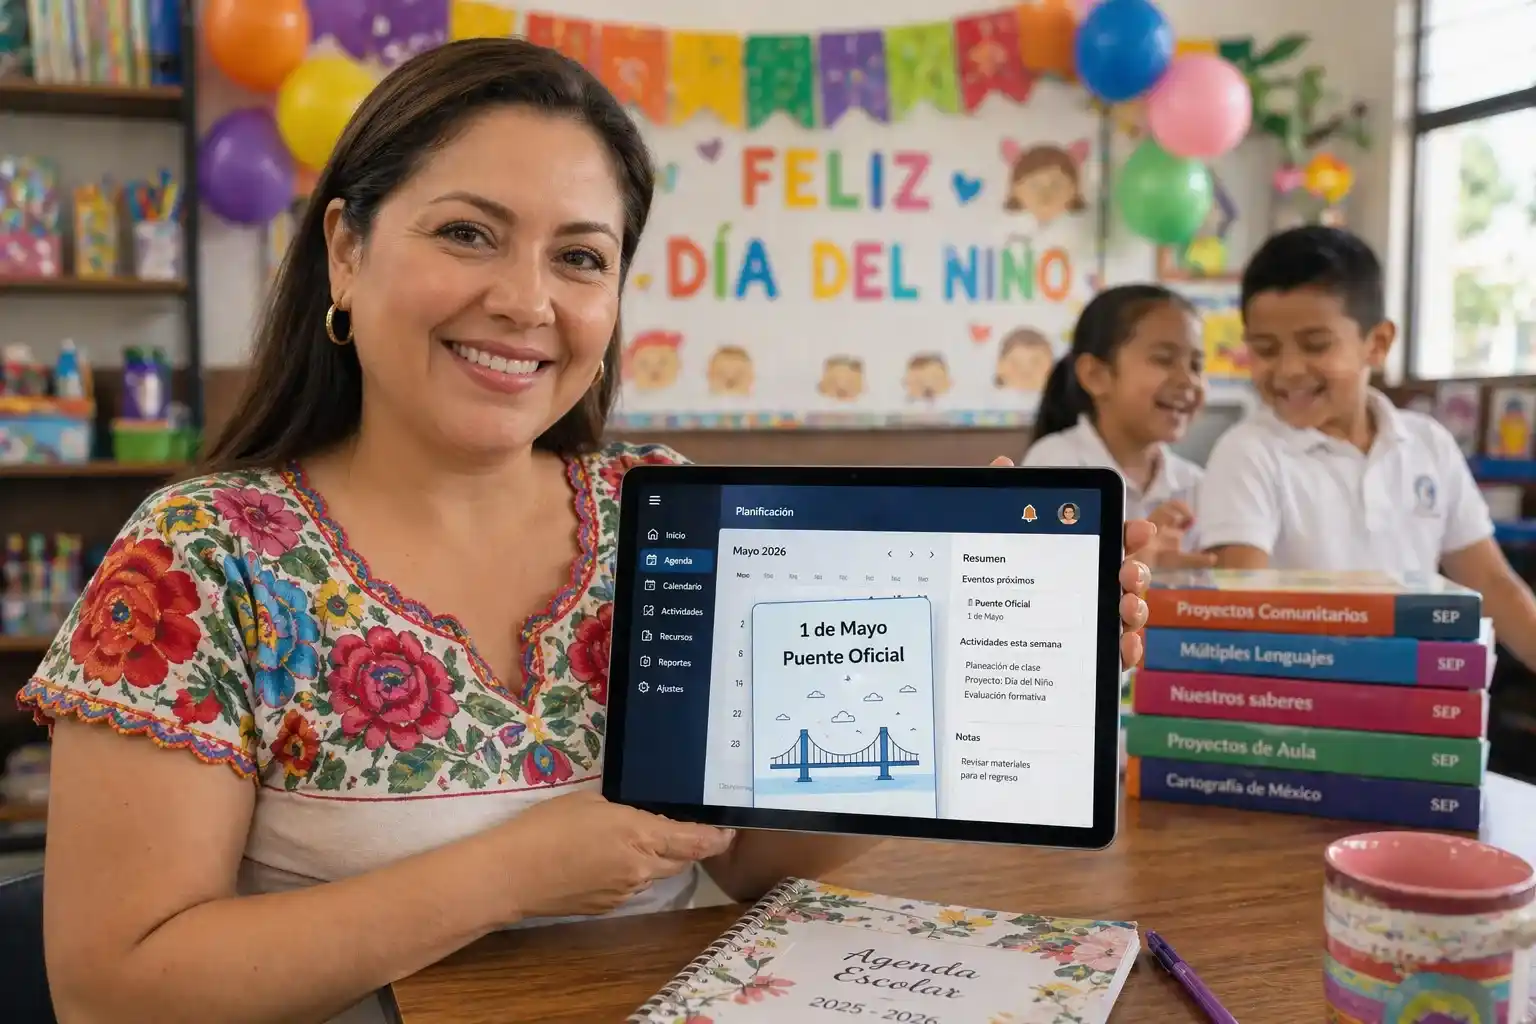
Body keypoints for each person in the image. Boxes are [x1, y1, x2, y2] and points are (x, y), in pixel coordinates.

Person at [22, 39, 1159, 1024]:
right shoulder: (202, 557)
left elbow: (750, 862)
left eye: (579, 256)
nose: (528, 302)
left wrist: (950, 683)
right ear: (347, 250)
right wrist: (515, 872)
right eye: (468, 233)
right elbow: (114, 990)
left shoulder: (664, 512)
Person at [1197, 225, 1536, 671]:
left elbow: (1493, 583)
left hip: (1417, 692)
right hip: (1299, 700)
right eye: (1265, 349)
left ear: (1377, 344)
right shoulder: (1248, 452)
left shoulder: (1428, 444)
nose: (1289, 369)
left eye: (1315, 345)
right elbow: (1242, 612)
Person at [1022, 284, 1213, 569]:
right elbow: (1039, 573)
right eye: (1163, 359)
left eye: (1196, 365)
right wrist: (1135, 555)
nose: (1188, 380)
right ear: (1096, 375)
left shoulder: (1194, 483)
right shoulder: (1056, 463)